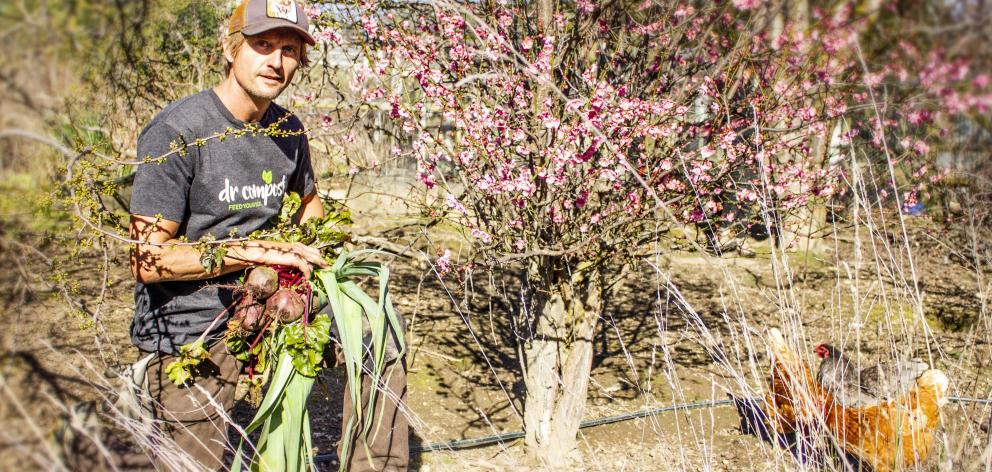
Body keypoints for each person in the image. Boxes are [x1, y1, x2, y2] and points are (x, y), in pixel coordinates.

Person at [104, 1, 408, 470]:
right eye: (261, 45)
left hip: (273, 301)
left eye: (289, 50)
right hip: (194, 322)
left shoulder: (287, 129)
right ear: (230, 49)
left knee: (378, 336)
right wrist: (254, 251)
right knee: (191, 462)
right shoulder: (178, 131)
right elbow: (147, 260)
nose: (276, 60)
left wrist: (331, 267)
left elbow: (311, 209)